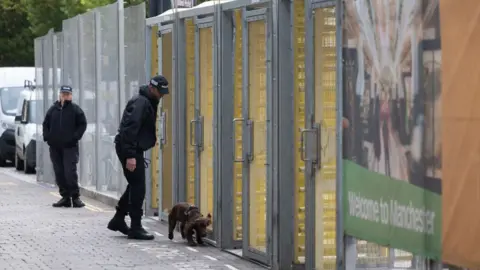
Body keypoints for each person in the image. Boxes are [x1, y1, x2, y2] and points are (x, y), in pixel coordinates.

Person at [107, 75, 169, 240]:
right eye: (160, 92)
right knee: (138, 186)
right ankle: (135, 227)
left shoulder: (147, 101)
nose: (162, 95)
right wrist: (130, 156)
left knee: (135, 184)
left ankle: (119, 218)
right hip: (129, 148)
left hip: (132, 148)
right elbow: (129, 129)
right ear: (152, 88)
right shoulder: (141, 102)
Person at [42, 85, 87, 208]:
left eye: (68, 94)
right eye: (63, 94)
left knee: (70, 172)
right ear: (60, 95)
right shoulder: (53, 110)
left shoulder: (75, 110)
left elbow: (82, 124)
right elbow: (45, 124)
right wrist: (47, 137)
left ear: (71, 95)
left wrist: (75, 137)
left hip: (70, 147)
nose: (65, 96)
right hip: (55, 147)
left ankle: (75, 197)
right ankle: (65, 197)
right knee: (59, 172)